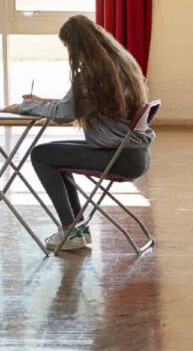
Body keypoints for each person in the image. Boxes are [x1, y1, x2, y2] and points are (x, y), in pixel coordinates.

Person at [2, 15, 154, 251]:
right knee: (54, 155)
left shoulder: (94, 74)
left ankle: (70, 230)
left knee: (42, 155)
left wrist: (23, 107)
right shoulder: (121, 63)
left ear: (77, 46)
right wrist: (44, 102)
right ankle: (76, 228)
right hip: (132, 154)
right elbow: (84, 104)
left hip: (120, 157)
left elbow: (64, 114)